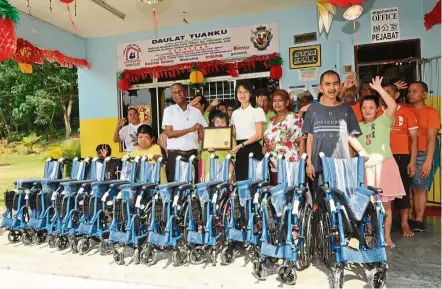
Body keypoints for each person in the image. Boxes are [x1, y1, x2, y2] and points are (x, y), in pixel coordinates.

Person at [302, 70, 367, 209]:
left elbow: (350, 137)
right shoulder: (313, 109)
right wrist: (309, 162)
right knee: (318, 204)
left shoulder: (346, 110)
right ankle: (319, 230)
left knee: (341, 204)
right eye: (327, 84)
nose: (332, 88)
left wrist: (361, 153)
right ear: (320, 88)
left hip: (341, 165)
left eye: (335, 84)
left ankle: (339, 231)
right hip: (319, 165)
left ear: (340, 86)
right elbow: (310, 138)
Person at [358, 76, 406, 248]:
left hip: (385, 166)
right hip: (367, 169)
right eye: (364, 108)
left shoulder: (384, 121)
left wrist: (379, 89)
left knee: (386, 206)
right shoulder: (357, 127)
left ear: (378, 108)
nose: (368, 110)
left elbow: (392, 105)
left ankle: (387, 237)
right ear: (361, 109)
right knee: (369, 206)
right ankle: (372, 237)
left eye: (371, 107)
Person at [382, 83, 418, 237]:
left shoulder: (407, 112)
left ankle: (404, 224)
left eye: (389, 92)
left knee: (403, 190)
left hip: (402, 156)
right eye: (382, 93)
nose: (385, 95)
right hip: (383, 157)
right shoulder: (376, 111)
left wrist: (412, 161)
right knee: (382, 192)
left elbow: (414, 139)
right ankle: (383, 225)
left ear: (396, 95)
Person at [407, 81, 441, 232]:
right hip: (406, 152)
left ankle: (418, 219)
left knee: (420, 188)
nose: (410, 94)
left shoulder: (431, 113)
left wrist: (428, 161)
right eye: (409, 91)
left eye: (415, 91)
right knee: (408, 187)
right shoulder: (405, 110)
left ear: (424, 94)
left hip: (423, 153)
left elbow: (431, 138)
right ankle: (409, 217)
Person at [162, 83, 208, 182]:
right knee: (175, 188)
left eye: (180, 91)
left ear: (185, 93)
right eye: (174, 93)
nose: (177, 94)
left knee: (192, 186)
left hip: (191, 155)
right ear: (172, 97)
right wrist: (190, 129)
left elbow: (203, 136)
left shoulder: (196, 112)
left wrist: (200, 131)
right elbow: (169, 134)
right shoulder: (169, 111)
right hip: (175, 155)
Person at [263, 89, 305, 185]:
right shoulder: (271, 120)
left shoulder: (295, 118)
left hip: (290, 164)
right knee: (277, 195)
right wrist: (265, 148)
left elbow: (302, 141)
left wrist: (300, 163)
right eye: (274, 101)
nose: (277, 103)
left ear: (287, 102)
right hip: (273, 165)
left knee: (290, 195)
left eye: (280, 100)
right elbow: (269, 140)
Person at [231, 80, 266, 181]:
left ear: (251, 94)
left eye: (245, 91)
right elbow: (234, 133)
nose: (242, 94)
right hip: (239, 150)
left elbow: (259, 135)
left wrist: (242, 145)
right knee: (241, 181)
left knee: (255, 181)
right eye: (239, 91)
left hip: (253, 149)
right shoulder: (235, 113)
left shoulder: (257, 110)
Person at [200, 111, 235, 181]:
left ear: (227, 124)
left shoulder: (231, 138)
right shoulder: (208, 137)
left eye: (222, 122)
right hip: (209, 171)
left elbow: (234, 158)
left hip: (225, 170)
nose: (219, 124)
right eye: (217, 122)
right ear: (214, 124)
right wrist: (203, 173)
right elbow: (204, 157)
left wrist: (229, 174)